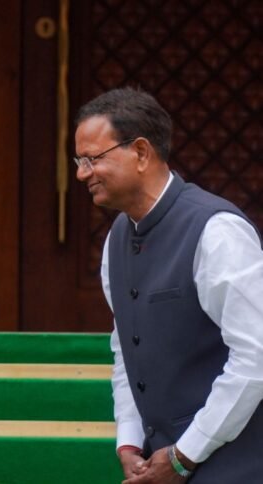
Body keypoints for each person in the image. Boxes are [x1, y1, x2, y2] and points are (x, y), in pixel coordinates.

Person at [75, 87, 263, 483]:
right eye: (79, 161)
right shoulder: (116, 239)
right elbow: (126, 350)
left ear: (141, 152)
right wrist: (129, 441)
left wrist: (184, 455)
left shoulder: (217, 231)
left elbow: (255, 359)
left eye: (93, 159)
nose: (82, 173)